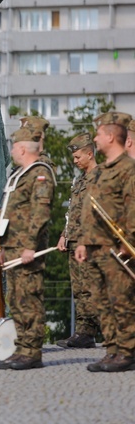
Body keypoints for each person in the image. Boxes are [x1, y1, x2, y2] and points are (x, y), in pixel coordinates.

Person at [75, 112, 135, 373]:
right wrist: (83, 242)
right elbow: (90, 209)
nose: (95, 139)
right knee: (102, 302)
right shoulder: (102, 171)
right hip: (96, 246)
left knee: (121, 301)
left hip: (116, 248)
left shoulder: (127, 169)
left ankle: (127, 351)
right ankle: (112, 350)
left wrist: (129, 242)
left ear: (111, 136)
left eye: (99, 134)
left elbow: (132, 207)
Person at [0, 127, 55, 370]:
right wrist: (2, 246)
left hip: (26, 251)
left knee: (29, 298)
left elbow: (40, 214)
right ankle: (22, 348)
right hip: (12, 248)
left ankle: (32, 351)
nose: (12, 152)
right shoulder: (19, 175)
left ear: (21, 148)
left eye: (13, 147)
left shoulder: (40, 174)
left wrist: (30, 246)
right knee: (17, 300)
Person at [56, 133, 98, 349]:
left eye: (78, 156)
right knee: (79, 288)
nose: (75, 161)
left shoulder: (99, 177)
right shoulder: (79, 180)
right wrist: (64, 234)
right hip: (73, 241)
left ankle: (108, 331)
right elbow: (72, 210)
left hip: (90, 242)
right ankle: (84, 332)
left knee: (93, 288)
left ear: (90, 154)